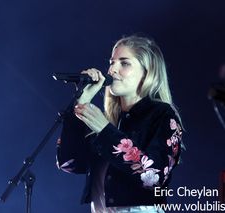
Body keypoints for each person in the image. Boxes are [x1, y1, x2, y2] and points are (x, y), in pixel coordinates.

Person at [56, 35, 183, 213]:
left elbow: (154, 176)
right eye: (112, 62)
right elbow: (69, 163)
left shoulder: (162, 115)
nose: (112, 70)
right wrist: (80, 106)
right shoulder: (109, 121)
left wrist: (105, 132)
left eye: (124, 63)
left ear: (147, 72)